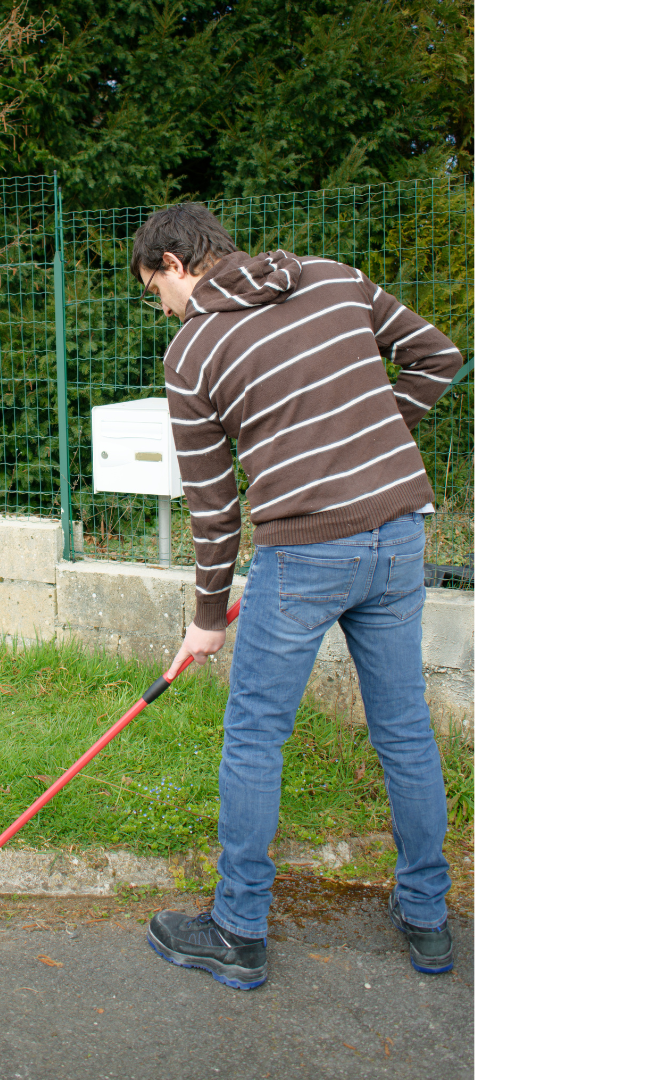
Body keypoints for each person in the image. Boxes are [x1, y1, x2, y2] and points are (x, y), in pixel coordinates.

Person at [132, 203, 463, 991]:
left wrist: (207, 619)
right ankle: (426, 916)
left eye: (156, 290)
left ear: (177, 263)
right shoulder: (334, 279)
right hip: (400, 535)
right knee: (405, 732)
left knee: (253, 737)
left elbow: (215, 509)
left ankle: (238, 932)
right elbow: (437, 356)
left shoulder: (193, 353)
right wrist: (378, 437)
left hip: (305, 553)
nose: (163, 308)